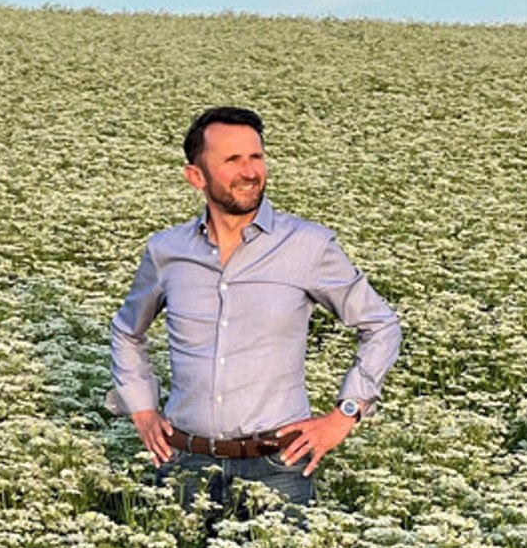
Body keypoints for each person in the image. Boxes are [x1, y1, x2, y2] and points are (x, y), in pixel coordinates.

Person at [106, 106, 402, 519]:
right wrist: (141, 410)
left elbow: (381, 325)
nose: (249, 172)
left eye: (256, 157)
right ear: (196, 176)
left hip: (277, 465)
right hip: (184, 462)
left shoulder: (308, 245)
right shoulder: (166, 251)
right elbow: (126, 331)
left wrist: (346, 413)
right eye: (232, 160)